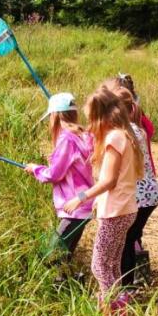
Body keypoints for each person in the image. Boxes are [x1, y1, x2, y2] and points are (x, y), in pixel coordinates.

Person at [62, 80, 144, 316]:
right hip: (126, 209)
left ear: (102, 116)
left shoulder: (114, 138)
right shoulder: (125, 134)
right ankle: (119, 315)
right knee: (111, 264)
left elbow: (109, 180)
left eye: (91, 118)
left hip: (115, 212)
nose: (90, 124)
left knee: (99, 266)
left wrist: (81, 197)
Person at [25, 92, 95, 280]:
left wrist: (36, 169)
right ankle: (67, 284)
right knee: (65, 252)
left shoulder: (66, 139)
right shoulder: (84, 135)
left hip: (74, 207)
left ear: (54, 116)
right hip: (84, 205)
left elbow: (55, 174)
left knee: (51, 252)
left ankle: (70, 280)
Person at [116, 73, 158, 288]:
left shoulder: (127, 132)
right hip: (149, 189)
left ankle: (128, 285)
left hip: (137, 192)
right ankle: (139, 276)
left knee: (127, 238)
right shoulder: (140, 125)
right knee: (134, 235)